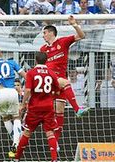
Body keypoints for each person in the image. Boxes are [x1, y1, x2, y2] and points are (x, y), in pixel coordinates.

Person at [40, 15, 90, 145]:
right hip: (49, 78)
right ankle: (77, 109)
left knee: (60, 111)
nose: (43, 35)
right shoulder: (43, 49)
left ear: (51, 32)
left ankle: (55, 143)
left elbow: (81, 36)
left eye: (44, 33)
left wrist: (74, 24)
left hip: (59, 81)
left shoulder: (63, 42)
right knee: (66, 82)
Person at [14, 53, 59, 162]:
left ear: (35, 61)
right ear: (46, 60)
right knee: (50, 133)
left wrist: (23, 103)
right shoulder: (51, 73)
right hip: (48, 107)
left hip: (35, 107)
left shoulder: (31, 73)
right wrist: (50, 98)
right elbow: (57, 90)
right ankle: (54, 159)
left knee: (27, 132)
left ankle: (16, 159)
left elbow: (28, 90)